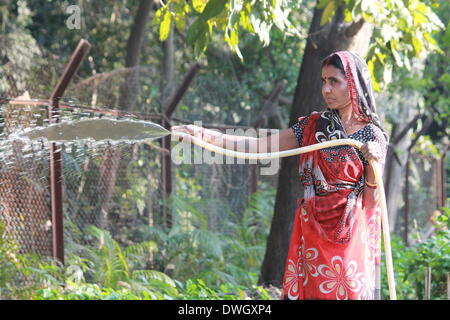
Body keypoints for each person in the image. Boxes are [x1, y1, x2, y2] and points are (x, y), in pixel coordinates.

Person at [171, 51, 388, 300]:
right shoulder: (312, 126)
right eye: (323, 81)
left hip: (350, 237)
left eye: (334, 81)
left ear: (354, 83)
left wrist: (374, 163)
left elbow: (372, 203)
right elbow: (259, 146)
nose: (326, 89)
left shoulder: (372, 136)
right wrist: (202, 135)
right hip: (312, 233)